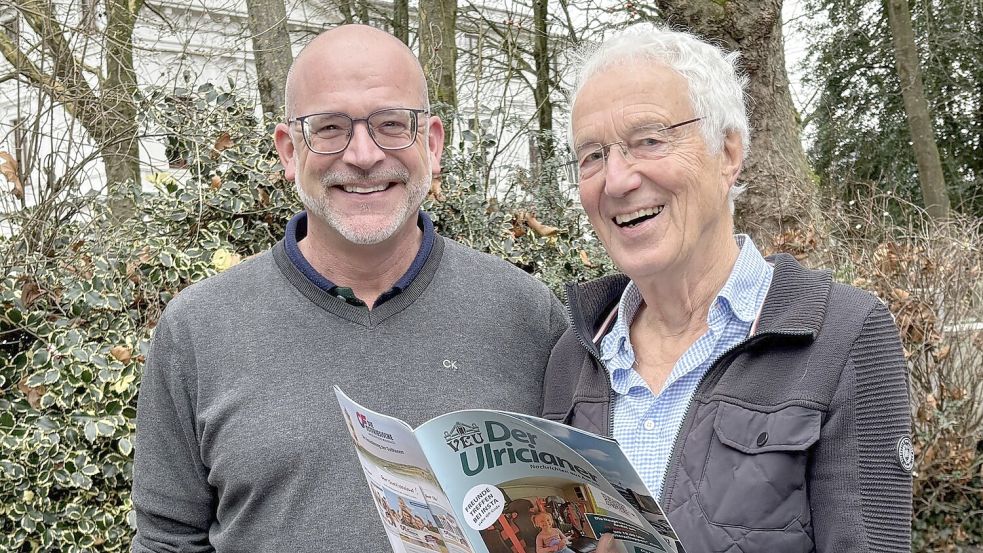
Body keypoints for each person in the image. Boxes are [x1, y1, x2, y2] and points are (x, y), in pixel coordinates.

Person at [132, 25, 567, 552]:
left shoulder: (527, 316)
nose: (363, 154)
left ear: (432, 144)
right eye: (330, 128)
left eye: (391, 124)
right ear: (289, 151)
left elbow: (570, 516)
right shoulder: (198, 330)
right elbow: (168, 540)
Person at [542, 24, 912, 552]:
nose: (617, 180)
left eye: (649, 140)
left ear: (729, 152)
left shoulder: (843, 336)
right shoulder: (574, 356)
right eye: (592, 156)